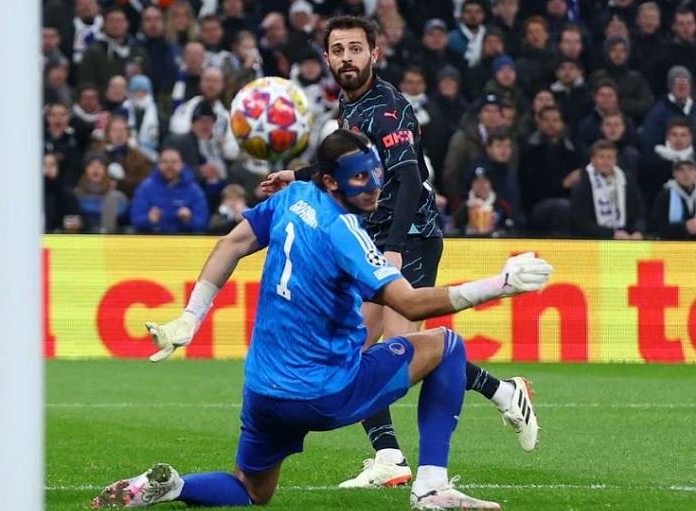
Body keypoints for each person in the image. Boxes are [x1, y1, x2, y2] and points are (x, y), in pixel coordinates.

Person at [91, 129, 553, 510]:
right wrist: (501, 284)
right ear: (331, 182)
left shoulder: (292, 198)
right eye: (360, 179)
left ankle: (173, 487)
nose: (374, 186)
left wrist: (191, 316)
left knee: (252, 491)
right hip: (324, 392)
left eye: (375, 173)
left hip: (264, 388)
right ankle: (432, 487)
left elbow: (231, 243)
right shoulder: (344, 231)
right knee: (445, 347)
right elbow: (409, 304)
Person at [260, 15, 540, 489]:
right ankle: (390, 455)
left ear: (375, 53)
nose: (347, 57)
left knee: (399, 353)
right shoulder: (352, 109)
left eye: (355, 48)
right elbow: (347, 168)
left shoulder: (387, 107)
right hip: (371, 238)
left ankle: (502, 392)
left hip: (406, 238)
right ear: (327, 57)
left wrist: (391, 251)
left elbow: (409, 178)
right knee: (359, 352)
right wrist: (299, 176)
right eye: (338, 50)